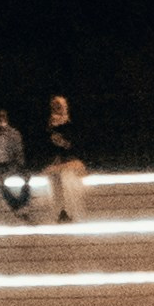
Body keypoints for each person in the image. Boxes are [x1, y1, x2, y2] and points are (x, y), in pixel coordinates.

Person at [43, 93, 88, 222]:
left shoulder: (74, 125)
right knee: (54, 177)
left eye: (61, 105)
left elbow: (77, 150)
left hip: (72, 163)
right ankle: (60, 213)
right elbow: (47, 151)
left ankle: (70, 214)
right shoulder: (48, 128)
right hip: (57, 164)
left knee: (66, 178)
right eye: (56, 106)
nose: (59, 108)